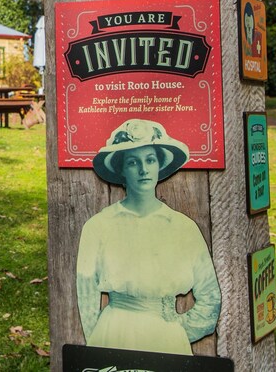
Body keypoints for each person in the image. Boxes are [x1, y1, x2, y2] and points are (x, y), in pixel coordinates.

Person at [76, 119, 221, 355]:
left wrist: (175, 333)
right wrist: (99, 342)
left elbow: (210, 298)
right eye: (133, 162)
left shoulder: (183, 227)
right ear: (121, 169)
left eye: (150, 160)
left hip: (165, 337)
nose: (143, 170)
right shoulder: (98, 226)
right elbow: (86, 296)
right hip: (114, 334)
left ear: (159, 166)